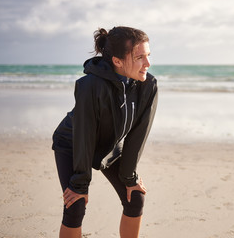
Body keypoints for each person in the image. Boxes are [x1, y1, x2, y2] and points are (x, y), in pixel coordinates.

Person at [52, 26, 158, 238]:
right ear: (117, 61)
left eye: (148, 56)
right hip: (72, 143)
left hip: (108, 144)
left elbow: (137, 135)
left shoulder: (148, 85)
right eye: (139, 57)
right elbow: (84, 133)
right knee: (76, 204)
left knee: (135, 196)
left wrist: (130, 177)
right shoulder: (90, 85)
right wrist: (80, 183)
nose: (147, 63)